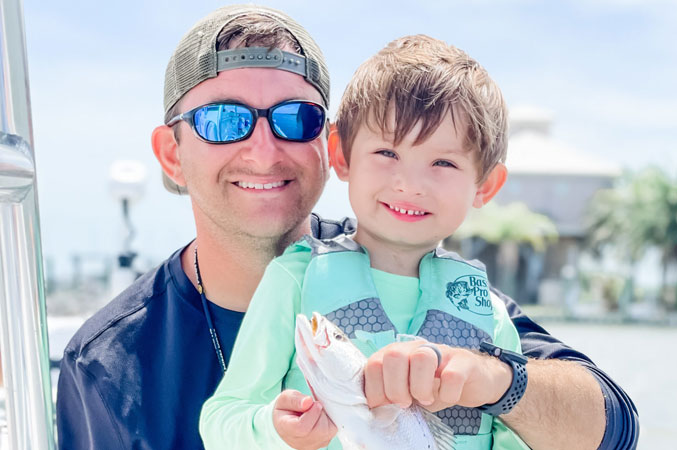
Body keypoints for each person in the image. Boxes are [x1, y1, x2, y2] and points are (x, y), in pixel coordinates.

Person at [56, 5, 638, 450]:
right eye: (224, 119)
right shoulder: (103, 364)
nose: (264, 149)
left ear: (327, 146)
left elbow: (615, 426)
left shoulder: (436, 276)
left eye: (295, 118)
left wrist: (495, 380)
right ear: (171, 154)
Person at [200, 33, 532, 450]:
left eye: (443, 162)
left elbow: (517, 437)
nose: (409, 184)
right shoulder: (295, 279)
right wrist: (274, 429)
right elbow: (221, 420)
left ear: (485, 185)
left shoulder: (492, 316)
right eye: (387, 153)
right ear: (341, 155)